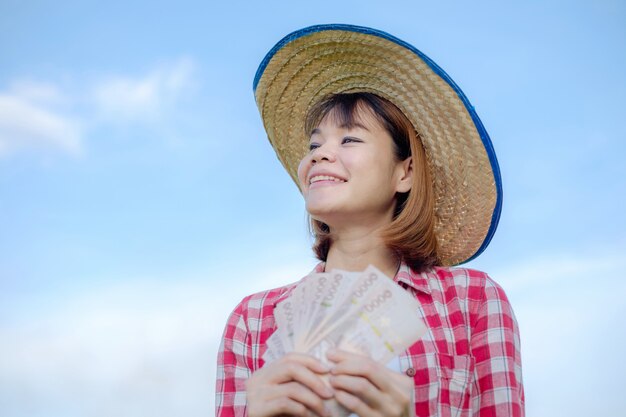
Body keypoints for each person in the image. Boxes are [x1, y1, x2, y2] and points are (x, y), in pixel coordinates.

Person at [216, 24, 524, 417]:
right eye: (314, 144)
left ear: (405, 172)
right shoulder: (253, 320)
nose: (319, 155)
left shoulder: (472, 301)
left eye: (349, 139)